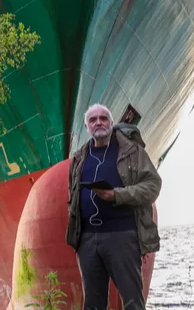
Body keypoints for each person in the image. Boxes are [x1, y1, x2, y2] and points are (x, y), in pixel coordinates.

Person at [66, 103, 162, 310]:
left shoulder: (132, 151)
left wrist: (117, 195)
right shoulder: (79, 157)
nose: (98, 122)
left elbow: (153, 185)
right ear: (86, 126)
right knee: (92, 305)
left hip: (122, 237)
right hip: (88, 240)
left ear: (112, 123)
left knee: (132, 302)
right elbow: (72, 196)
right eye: (93, 120)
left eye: (103, 118)